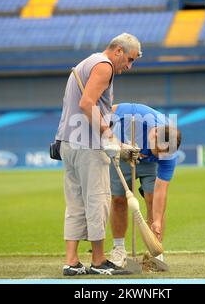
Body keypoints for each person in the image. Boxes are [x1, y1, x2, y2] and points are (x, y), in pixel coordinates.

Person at [55, 33, 142, 276]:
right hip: (88, 146)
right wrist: (107, 134)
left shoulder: (87, 62)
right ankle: (98, 260)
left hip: (68, 143)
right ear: (118, 52)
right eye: (130, 59)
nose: (129, 65)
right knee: (98, 200)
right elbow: (86, 104)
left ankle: (71, 262)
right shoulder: (104, 66)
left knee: (75, 204)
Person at [108, 103, 182, 267]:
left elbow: (161, 190)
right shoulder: (135, 114)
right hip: (122, 154)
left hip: (149, 165)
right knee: (119, 199)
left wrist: (157, 221)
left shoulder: (167, 152)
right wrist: (116, 142)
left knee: (152, 197)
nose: (161, 157)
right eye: (158, 152)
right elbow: (107, 110)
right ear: (154, 134)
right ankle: (119, 249)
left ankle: (155, 251)